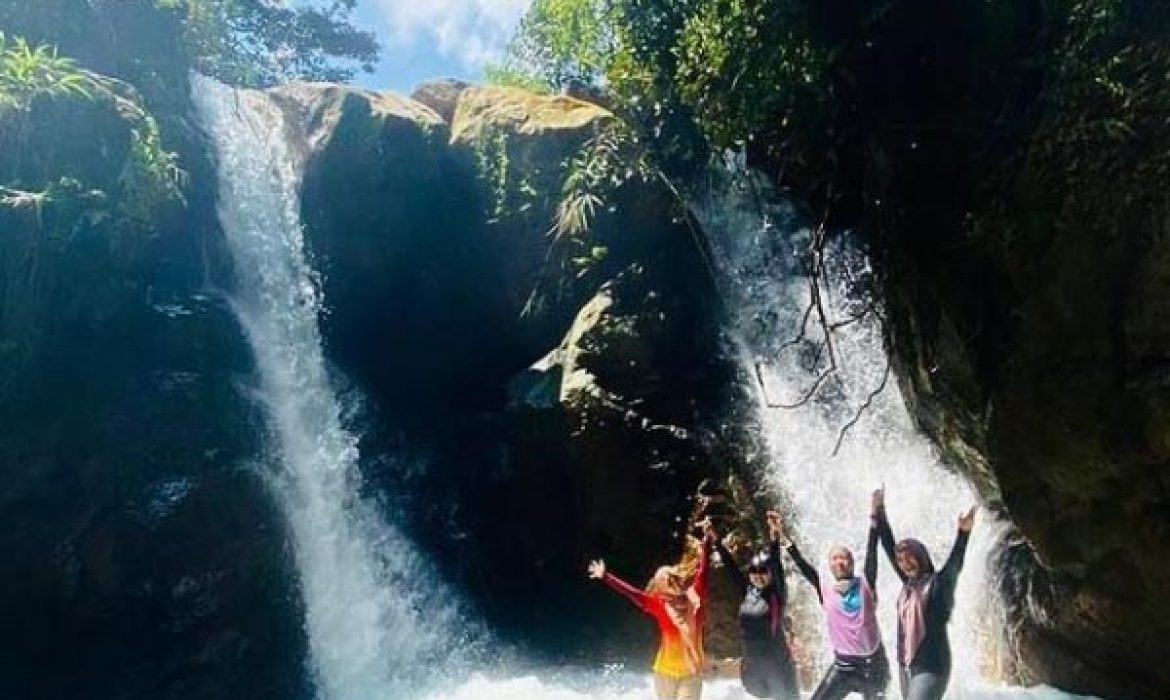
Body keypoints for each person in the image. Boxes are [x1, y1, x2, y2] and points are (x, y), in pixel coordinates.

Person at [587, 521, 714, 700]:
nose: (671, 580)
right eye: (666, 580)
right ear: (660, 587)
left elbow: (704, 570)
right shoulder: (658, 605)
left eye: (673, 577)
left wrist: (707, 541)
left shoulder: (696, 596)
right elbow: (632, 593)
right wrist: (606, 577)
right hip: (664, 672)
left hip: (692, 673)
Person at [872, 488, 977, 700]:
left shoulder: (938, 584)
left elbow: (954, 564)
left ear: (921, 556)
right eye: (900, 561)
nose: (904, 564)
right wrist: (879, 511)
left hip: (932, 666)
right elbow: (889, 545)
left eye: (909, 558)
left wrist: (963, 533)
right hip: (907, 665)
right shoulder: (909, 585)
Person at [774, 506, 889, 700]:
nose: (839, 562)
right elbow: (802, 565)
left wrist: (874, 517)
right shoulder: (825, 590)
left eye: (844, 557)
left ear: (852, 563)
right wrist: (782, 535)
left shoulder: (865, 585)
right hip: (843, 667)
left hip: (873, 667)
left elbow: (872, 551)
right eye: (834, 558)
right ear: (830, 565)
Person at [711, 515, 799, 699]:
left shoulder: (776, 594)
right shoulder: (747, 592)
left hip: (776, 663)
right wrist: (716, 542)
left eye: (763, 572)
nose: (758, 576)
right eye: (754, 571)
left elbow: (776, 564)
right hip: (753, 665)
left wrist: (774, 537)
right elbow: (731, 568)